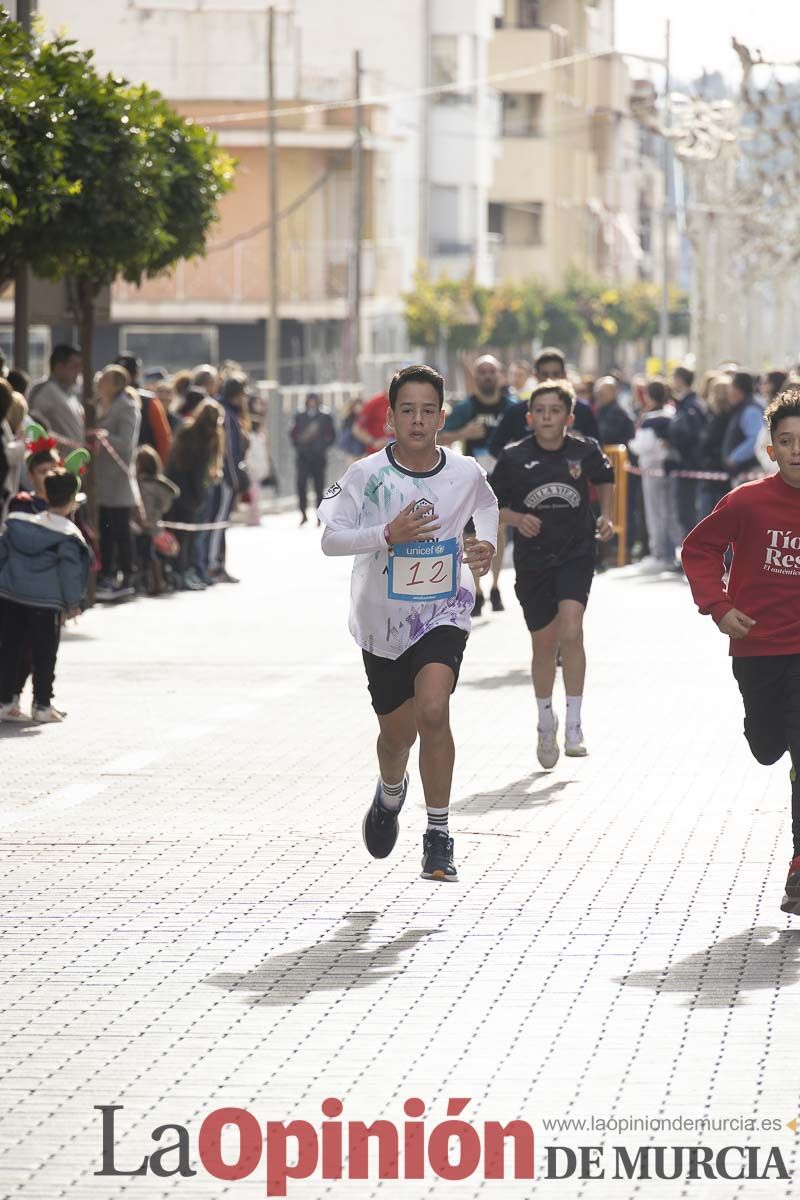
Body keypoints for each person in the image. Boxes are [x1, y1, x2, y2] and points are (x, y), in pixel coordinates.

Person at [318, 364, 498, 883]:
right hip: (381, 621)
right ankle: (390, 792)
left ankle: (438, 836)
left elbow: (487, 507)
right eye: (407, 411)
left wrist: (482, 546)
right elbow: (330, 539)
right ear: (390, 419)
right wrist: (386, 533)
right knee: (397, 737)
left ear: (442, 417)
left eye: (427, 410)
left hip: (443, 610)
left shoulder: (464, 473)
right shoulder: (365, 475)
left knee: (434, 710)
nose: (418, 420)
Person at [682, 388, 800, 915]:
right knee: (767, 744)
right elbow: (699, 549)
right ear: (770, 449)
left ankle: (799, 867)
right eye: (787, 441)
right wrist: (718, 606)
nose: (797, 449)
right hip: (758, 647)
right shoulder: (748, 501)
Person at [489, 380, 615, 766]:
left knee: (572, 628)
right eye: (540, 410)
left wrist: (606, 515)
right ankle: (547, 721)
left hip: (576, 552)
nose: (547, 417)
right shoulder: (513, 457)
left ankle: (575, 723)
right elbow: (488, 504)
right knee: (544, 644)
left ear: (569, 417)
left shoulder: (584, 450)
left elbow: (605, 477)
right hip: (533, 561)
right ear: (529, 417)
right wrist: (515, 518)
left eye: (555, 410)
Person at [0, 468, 90, 723]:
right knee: (44, 654)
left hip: (11, 595)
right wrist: (73, 603)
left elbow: (2, 552)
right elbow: (70, 572)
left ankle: (5, 701)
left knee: (9, 649)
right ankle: (41, 705)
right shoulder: (68, 534)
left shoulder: (20, 524)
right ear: (73, 500)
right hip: (45, 603)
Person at [439, 354, 514, 615]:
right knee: (471, 535)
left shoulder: (511, 407)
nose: (486, 376)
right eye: (481, 372)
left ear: (500, 375)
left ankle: (495, 586)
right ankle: (477, 590)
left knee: (498, 530)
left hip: (503, 476)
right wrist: (464, 433)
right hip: (473, 478)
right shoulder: (466, 408)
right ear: (475, 376)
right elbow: (438, 436)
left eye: (491, 371)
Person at [488, 347, 601, 459]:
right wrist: (519, 462)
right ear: (536, 376)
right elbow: (495, 447)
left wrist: (581, 445)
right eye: (545, 374)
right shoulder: (517, 411)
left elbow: (598, 448)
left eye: (555, 374)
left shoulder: (583, 411)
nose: (550, 380)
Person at [92, 365, 141, 601]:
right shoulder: (98, 403)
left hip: (118, 480)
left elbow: (126, 443)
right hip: (102, 480)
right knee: (106, 530)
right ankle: (107, 574)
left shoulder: (126, 407)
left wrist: (102, 435)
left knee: (120, 529)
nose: (99, 381)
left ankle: (126, 575)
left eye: (105, 378)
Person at [165, 398, 224, 590]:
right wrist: (200, 496)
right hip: (192, 493)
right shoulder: (207, 438)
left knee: (178, 534)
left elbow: (172, 459)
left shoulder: (185, 429)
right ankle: (184, 572)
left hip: (174, 487)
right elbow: (200, 472)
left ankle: (177, 571)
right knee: (188, 536)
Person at [628, 378, 681, 569]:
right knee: (671, 511)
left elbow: (643, 446)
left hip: (652, 469)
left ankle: (660, 554)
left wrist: (631, 445)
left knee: (656, 511)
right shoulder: (672, 413)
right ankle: (676, 550)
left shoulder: (649, 419)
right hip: (670, 467)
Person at [667, 365, 707, 538]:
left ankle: (692, 555)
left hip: (689, 465)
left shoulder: (690, 405)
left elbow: (690, 435)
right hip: (687, 464)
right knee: (685, 511)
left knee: (688, 512)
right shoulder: (686, 403)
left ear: (680, 380)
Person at [134, 446, 179, 595]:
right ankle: (160, 580)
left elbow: (142, 511)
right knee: (157, 557)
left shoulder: (142, 486)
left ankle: (153, 582)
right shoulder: (161, 486)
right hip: (158, 528)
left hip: (145, 528)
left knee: (147, 555)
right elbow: (165, 508)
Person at [115, 353, 172, 467]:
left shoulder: (105, 399)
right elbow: (163, 439)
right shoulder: (150, 400)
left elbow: (163, 438)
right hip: (141, 469)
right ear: (137, 373)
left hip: (119, 466)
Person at [290, 392, 336, 526]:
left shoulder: (325, 416)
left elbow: (332, 434)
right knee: (301, 485)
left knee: (319, 487)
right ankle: (303, 513)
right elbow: (293, 434)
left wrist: (322, 446)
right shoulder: (299, 416)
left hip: (318, 458)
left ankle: (319, 515)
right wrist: (299, 446)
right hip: (303, 457)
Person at [28, 344, 84, 453]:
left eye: (79, 367)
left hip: (75, 462)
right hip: (54, 463)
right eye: (74, 367)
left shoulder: (71, 392)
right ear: (59, 367)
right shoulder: (44, 391)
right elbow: (34, 427)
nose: (78, 372)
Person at [698, 374, 733, 518]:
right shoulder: (725, 417)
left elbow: (709, 444)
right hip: (715, 474)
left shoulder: (720, 420)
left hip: (715, 475)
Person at [721, 371, 763, 488]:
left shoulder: (750, 411)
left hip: (748, 472)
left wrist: (734, 458)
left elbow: (756, 439)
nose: (728, 392)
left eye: (730, 388)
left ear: (738, 390)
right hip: (742, 473)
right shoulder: (742, 408)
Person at [594, 375, 635, 446]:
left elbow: (606, 437)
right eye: (598, 393)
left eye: (602, 393)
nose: (599, 396)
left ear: (613, 392)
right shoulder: (601, 410)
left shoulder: (618, 413)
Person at [352, 390, 391, 456]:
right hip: (378, 455)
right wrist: (373, 442)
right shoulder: (374, 403)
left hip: (402, 456)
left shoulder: (406, 402)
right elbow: (357, 429)